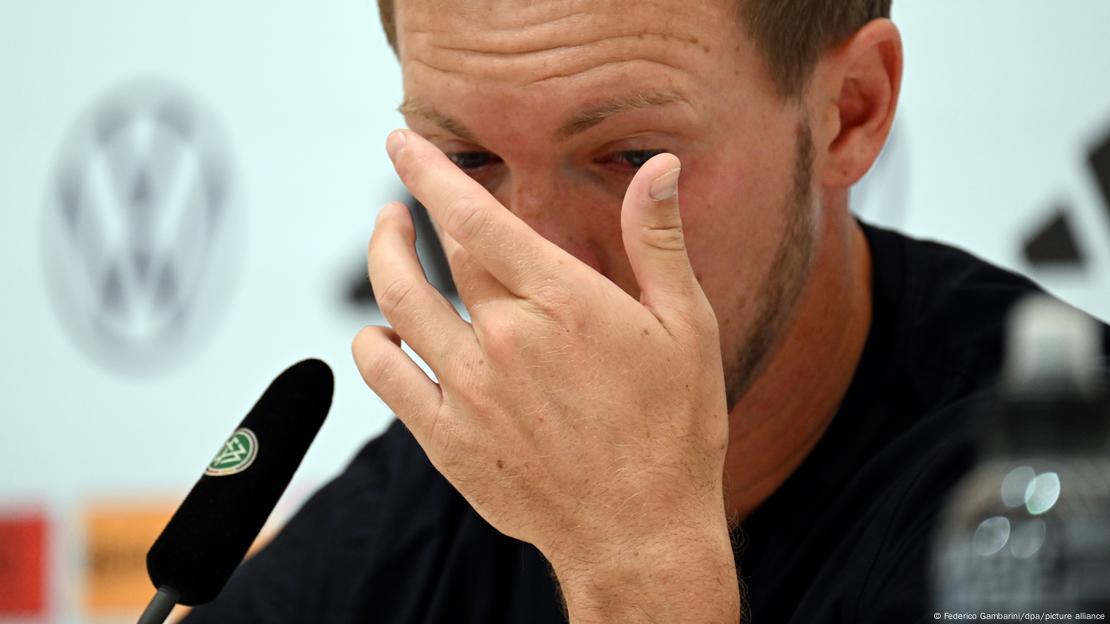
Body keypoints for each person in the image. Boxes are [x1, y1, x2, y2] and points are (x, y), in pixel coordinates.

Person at [186, 1, 1109, 622]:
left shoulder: (1059, 517)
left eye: (631, 157)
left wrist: (639, 564)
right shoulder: (426, 509)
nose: (539, 257)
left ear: (852, 111)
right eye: (466, 162)